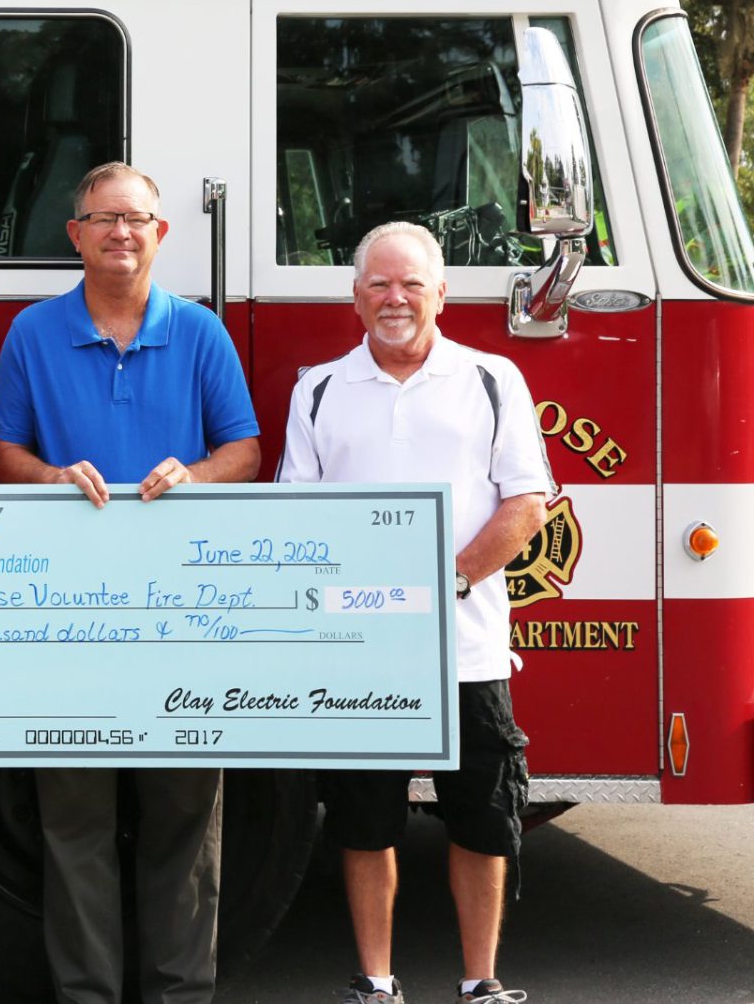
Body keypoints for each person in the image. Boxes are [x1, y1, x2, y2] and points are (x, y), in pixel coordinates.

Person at [0, 161, 260, 1004]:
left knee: (186, 821)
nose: (120, 232)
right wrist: (50, 477)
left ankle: (180, 995)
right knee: (74, 824)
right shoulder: (32, 332)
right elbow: (4, 453)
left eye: (135, 218)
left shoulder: (202, 332)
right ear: (75, 234)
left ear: (160, 232)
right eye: (103, 219)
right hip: (65, 618)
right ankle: (88, 996)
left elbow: (245, 452)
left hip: (185, 615)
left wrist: (195, 476)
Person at [276, 222, 550, 1004]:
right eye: (379, 284)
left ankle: (480, 980)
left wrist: (451, 579)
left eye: (411, 284)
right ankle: (376, 979)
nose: (394, 298)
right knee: (364, 820)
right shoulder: (319, 388)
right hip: (360, 651)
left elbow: (527, 504)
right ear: (355, 297)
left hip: (467, 646)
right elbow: (299, 512)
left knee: (483, 818)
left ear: (442, 294)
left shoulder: (492, 378)